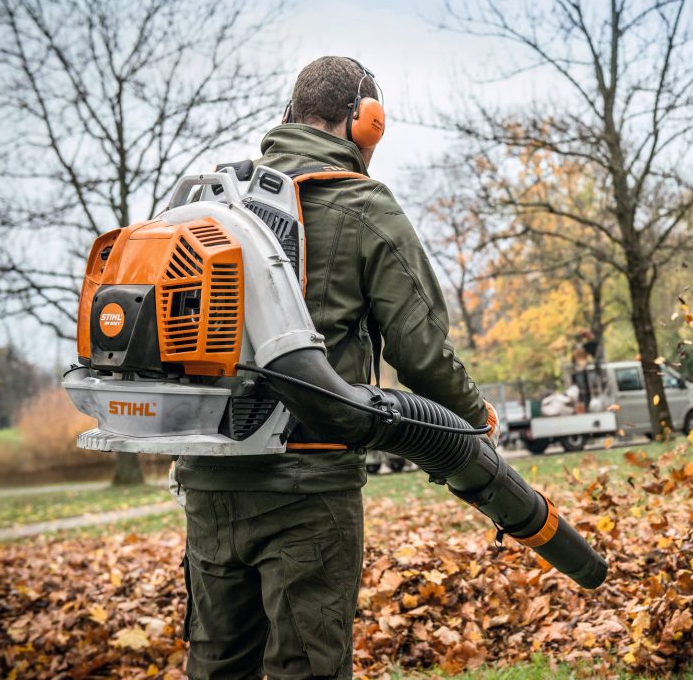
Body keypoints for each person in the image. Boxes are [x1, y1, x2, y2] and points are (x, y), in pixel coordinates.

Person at [173, 56, 498, 680]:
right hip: (310, 484)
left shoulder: (221, 202)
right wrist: (473, 417)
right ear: (366, 122)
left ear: (291, 115)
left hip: (211, 480)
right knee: (307, 667)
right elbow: (421, 351)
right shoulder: (362, 204)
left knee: (216, 666)